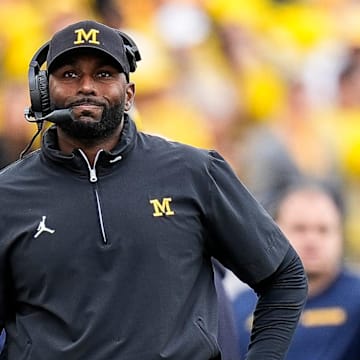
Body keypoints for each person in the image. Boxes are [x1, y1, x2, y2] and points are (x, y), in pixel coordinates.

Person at [0, 20, 307, 360]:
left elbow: (284, 276)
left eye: (103, 74)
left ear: (129, 94)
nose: (86, 87)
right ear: (43, 91)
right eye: (70, 74)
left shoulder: (193, 172)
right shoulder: (8, 195)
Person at [233, 177, 360, 360]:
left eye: (323, 230)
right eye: (300, 229)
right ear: (274, 233)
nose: (312, 241)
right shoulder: (240, 307)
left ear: (340, 235)